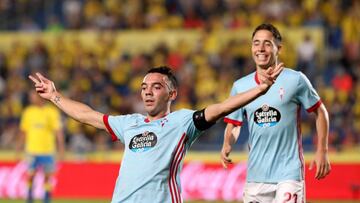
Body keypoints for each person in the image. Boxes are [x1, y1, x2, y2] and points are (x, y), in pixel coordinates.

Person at [28, 65, 283, 203]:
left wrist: (258, 91)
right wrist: (54, 96)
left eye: (156, 87)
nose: (147, 92)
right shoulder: (130, 123)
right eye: (144, 87)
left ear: (171, 94)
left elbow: (218, 109)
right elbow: (88, 115)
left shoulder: (182, 121)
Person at [220, 23, 331, 203]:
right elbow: (234, 123)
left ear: (278, 48)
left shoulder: (296, 80)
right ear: (251, 48)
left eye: (267, 43)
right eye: (256, 43)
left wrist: (322, 150)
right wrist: (227, 143)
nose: (260, 48)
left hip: (289, 174)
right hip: (256, 177)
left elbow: (321, 112)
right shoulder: (240, 86)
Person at [17, 90, 65, 203]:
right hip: (32, 150)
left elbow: (58, 131)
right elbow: (23, 131)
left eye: (32, 96)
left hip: (47, 150)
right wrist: (19, 147)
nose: (30, 98)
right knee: (30, 175)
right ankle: (29, 197)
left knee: (48, 176)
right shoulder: (28, 112)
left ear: (40, 97)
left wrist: (61, 148)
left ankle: (47, 198)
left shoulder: (52, 111)